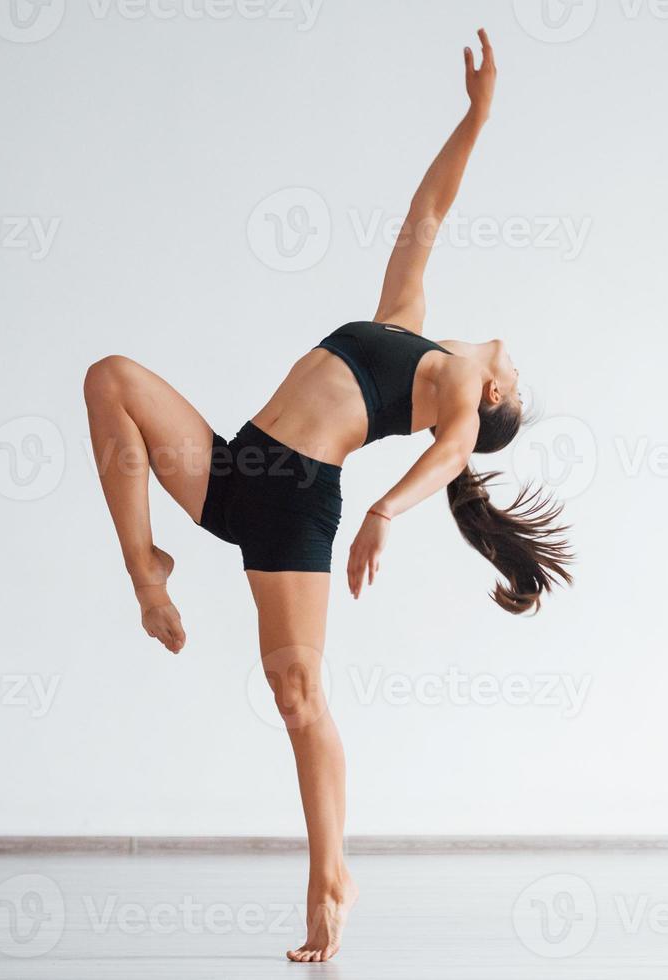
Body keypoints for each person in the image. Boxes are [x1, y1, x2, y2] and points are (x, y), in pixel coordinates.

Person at [82, 28, 571, 962]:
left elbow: (454, 449)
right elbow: (429, 208)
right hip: (240, 470)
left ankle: (329, 877)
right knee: (110, 378)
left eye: (517, 376)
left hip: (301, 499)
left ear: (498, 392)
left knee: (298, 695)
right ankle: (147, 569)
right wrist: (476, 117)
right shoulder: (403, 326)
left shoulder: (459, 394)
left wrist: (387, 510)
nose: (513, 355)